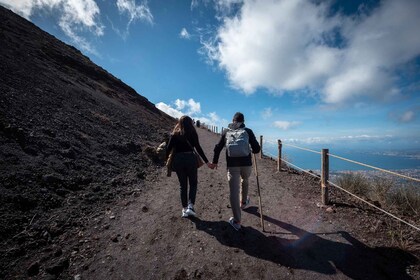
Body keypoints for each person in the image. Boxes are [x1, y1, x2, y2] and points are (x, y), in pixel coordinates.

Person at [211, 112, 260, 231]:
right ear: (243, 121)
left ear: (232, 120)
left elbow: (217, 147)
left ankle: (237, 221)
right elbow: (257, 149)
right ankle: (243, 202)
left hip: (232, 165)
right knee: (246, 180)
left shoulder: (226, 132)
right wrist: (251, 150)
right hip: (246, 164)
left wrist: (215, 162)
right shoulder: (248, 131)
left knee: (234, 192)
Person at [166, 116, 212, 218]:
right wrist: (207, 162)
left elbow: (168, 149)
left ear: (180, 123)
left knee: (183, 185)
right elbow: (198, 148)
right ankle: (190, 207)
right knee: (193, 183)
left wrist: (167, 162)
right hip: (190, 159)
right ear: (191, 123)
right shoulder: (192, 133)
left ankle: (184, 209)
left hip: (178, 160)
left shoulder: (174, 134)